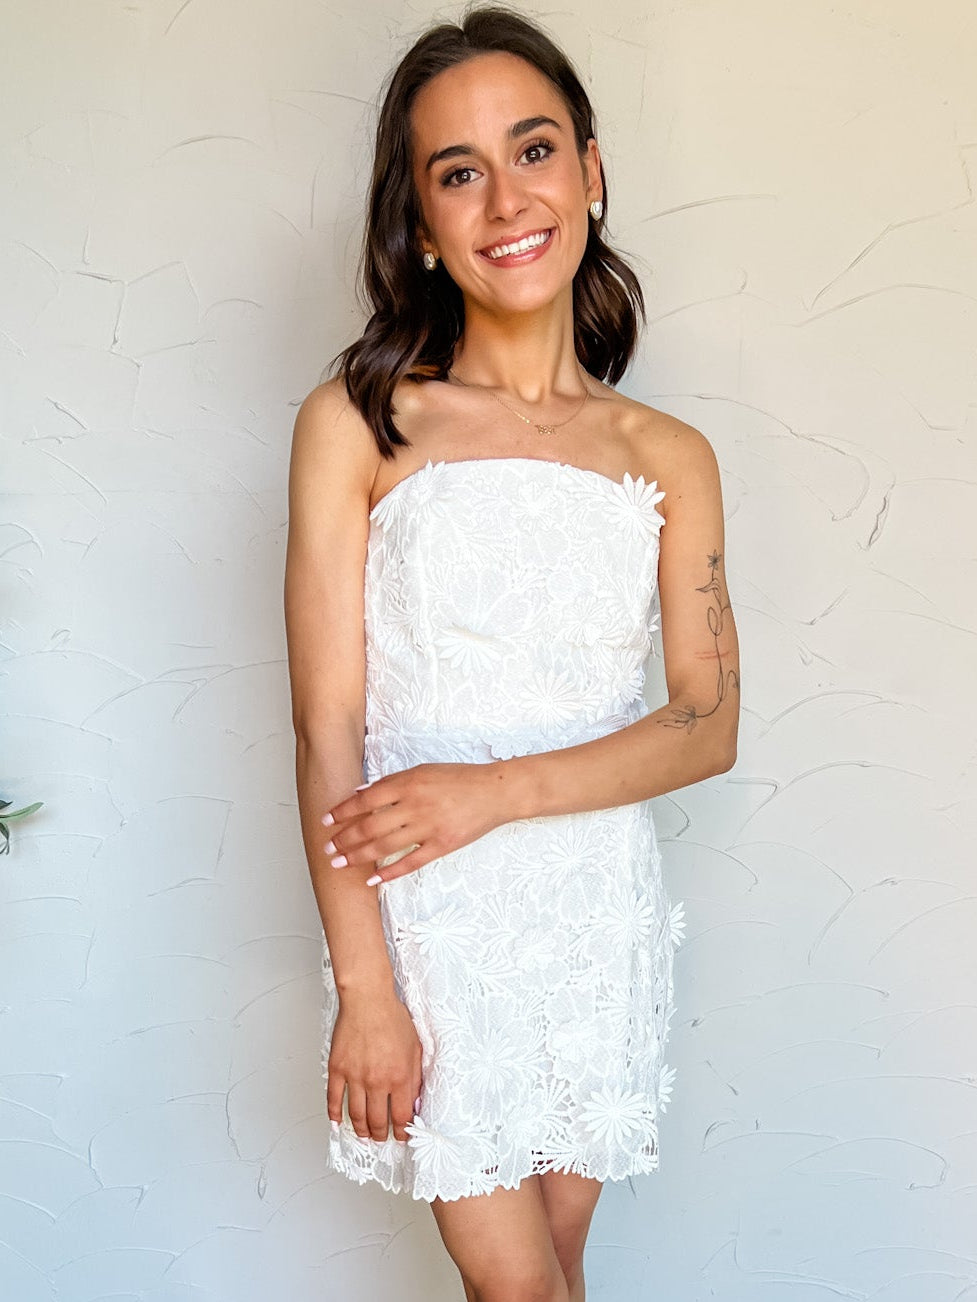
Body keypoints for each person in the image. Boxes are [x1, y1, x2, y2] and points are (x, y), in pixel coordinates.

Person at [284, 6, 741, 1300]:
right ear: (420, 224)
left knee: (559, 1267)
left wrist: (491, 791)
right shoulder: (361, 425)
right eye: (458, 172)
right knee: (519, 1290)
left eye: (532, 150)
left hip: (594, 914)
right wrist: (364, 984)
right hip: (431, 921)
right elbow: (324, 727)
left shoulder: (666, 457)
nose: (505, 199)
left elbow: (706, 722)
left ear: (590, 172)